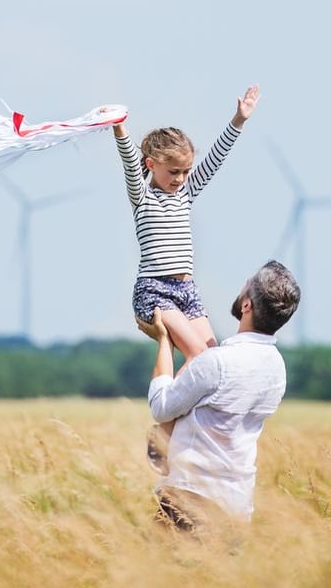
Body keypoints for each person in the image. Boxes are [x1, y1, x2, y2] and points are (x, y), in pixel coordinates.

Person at [137, 259, 300, 531]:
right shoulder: (277, 368)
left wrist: (164, 340)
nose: (242, 287)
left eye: (247, 284)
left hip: (191, 502)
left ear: (247, 305)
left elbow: (161, 406)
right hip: (238, 509)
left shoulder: (218, 363)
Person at [112, 85, 261, 363]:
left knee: (213, 360)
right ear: (152, 164)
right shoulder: (142, 197)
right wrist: (120, 129)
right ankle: (169, 403)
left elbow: (215, 159)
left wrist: (239, 120)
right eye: (173, 172)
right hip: (154, 291)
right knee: (197, 354)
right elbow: (130, 165)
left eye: (186, 171)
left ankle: (188, 406)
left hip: (188, 291)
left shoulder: (185, 194)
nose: (181, 178)